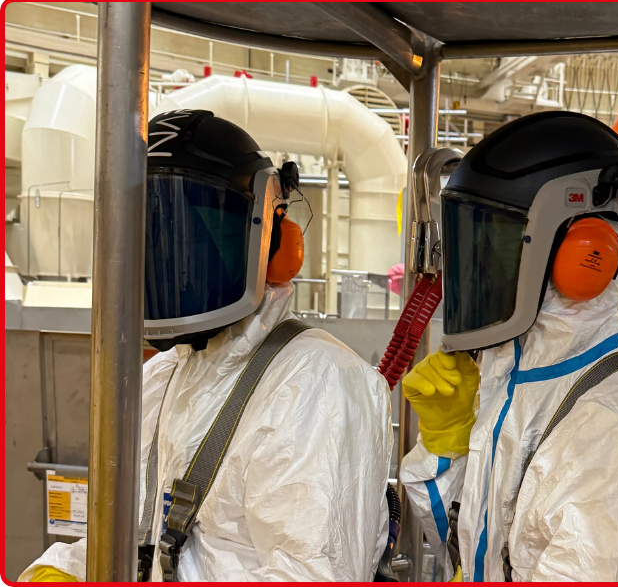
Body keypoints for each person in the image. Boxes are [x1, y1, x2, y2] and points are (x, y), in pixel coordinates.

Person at [21, 110, 393, 582]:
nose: (171, 265)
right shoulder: (164, 375)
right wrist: (64, 569)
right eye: (152, 236)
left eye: (198, 235)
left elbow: (313, 573)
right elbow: (136, 537)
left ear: (276, 241)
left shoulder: (317, 385)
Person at [399, 111, 618, 581]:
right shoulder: (519, 383)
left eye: (497, 244)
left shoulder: (614, 425)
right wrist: (447, 447)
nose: (480, 270)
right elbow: (469, 545)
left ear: (588, 253)